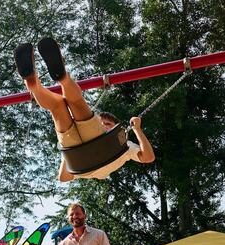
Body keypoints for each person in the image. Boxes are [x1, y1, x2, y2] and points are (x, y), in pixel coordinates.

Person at [14, 37, 155, 182]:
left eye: (108, 125)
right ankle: (41, 84)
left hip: (83, 153)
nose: (104, 125)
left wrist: (137, 129)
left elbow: (63, 177)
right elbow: (148, 157)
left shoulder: (123, 143)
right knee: (58, 106)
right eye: (103, 123)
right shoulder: (124, 147)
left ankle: (55, 80)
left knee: (74, 103)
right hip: (80, 155)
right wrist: (69, 152)